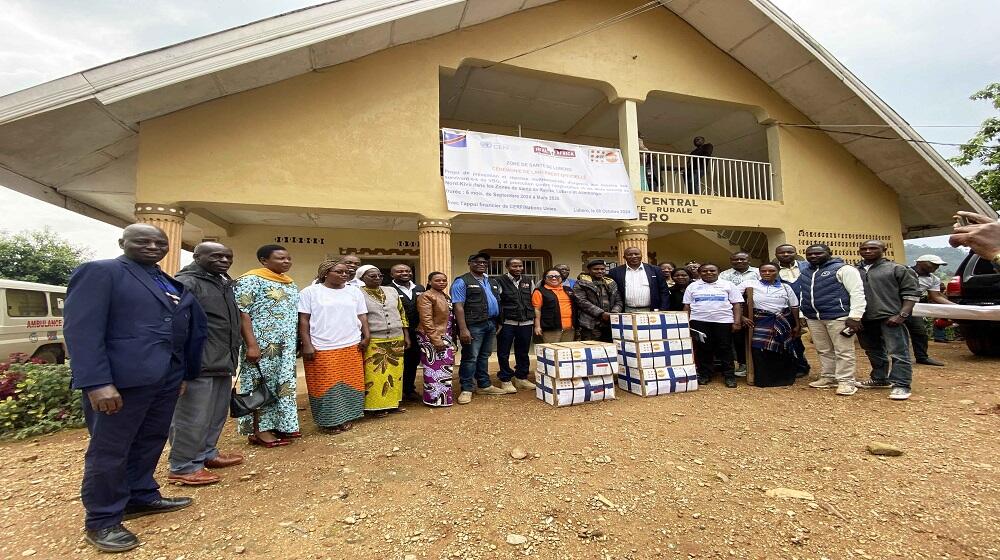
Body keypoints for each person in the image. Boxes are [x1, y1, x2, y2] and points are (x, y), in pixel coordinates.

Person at [64, 224, 206, 553]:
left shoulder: (167, 280)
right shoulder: (101, 272)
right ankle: (102, 520)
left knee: (149, 440)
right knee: (110, 451)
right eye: (142, 240)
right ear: (122, 242)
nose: (152, 246)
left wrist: (181, 374)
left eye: (160, 242)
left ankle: (141, 496)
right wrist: (97, 382)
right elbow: (81, 331)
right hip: (120, 382)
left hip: (164, 378)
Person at [168, 242, 243, 487]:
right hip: (198, 361)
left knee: (215, 412)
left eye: (227, 256)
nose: (223, 260)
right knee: (192, 416)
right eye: (216, 256)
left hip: (221, 359)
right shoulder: (187, 283)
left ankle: (207, 454)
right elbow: (177, 325)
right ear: (197, 256)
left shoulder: (221, 281)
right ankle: (184, 465)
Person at [234, 244, 300, 447]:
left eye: (288, 258)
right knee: (259, 386)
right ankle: (259, 430)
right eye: (281, 258)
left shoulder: (289, 283)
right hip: (262, 345)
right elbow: (242, 313)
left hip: (285, 346)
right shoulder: (250, 280)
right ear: (264, 260)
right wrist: (251, 345)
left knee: (281, 385)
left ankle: (281, 424)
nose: (286, 262)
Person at [298, 261, 369, 432]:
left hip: (351, 344)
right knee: (326, 385)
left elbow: (362, 315)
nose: (344, 275)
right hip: (323, 346)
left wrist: (367, 335)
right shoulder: (310, 292)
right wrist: (306, 344)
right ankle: (329, 421)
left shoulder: (354, 292)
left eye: (346, 272)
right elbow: (303, 320)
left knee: (351, 383)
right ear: (325, 273)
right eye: (339, 272)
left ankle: (347, 416)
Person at [855, 240, 921, 401]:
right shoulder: (855, 270)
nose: (868, 251)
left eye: (873, 248)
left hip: (890, 317)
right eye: (864, 249)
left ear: (884, 249)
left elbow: (911, 293)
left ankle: (901, 384)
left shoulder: (897, 269)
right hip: (864, 317)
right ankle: (879, 379)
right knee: (872, 350)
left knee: (898, 351)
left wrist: (902, 315)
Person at [798, 244, 866, 397]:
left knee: (843, 350)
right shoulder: (806, 272)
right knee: (823, 349)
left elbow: (857, 293)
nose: (813, 256)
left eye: (818, 253)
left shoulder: (844, 269)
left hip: (838, 316)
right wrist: (803, 314)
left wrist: (855, 316)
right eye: (810, 254)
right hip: (814, 318)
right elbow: (803, 294)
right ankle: (829, 377)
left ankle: (846, 381)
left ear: (829, 253)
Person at [451, 253, 507, 404]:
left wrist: (499, 322)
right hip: (473, 325)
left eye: (484, 262)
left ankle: (484, 385)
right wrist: (463, 329)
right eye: (477, 262)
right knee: (470, 358)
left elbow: (498, 302)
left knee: (484, 356)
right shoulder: (462, 281)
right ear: (469, 263)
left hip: (490, 324)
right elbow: (458, 306)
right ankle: (467, 389)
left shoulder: (491, 281)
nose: (481, 264)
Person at [356, 265, 410, 414]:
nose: (377, 278)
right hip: (375, 339)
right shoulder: (358, 293)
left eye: (379, 275)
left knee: (395, 374)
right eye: (372, 276)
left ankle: (393, 404)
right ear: (362, 278)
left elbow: (402, 313)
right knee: (376, 375)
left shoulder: (391, 291)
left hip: (396, 337)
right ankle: (376, 406)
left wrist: (406, 335)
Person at [738, 264, 801, 387]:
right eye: (763, 271)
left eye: (771, 271)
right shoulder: (750, 284)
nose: (767, 273)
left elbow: (794, 306)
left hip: (782, 321)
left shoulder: (785, 287)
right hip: (760, 321)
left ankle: (783, 379)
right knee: (759, 348)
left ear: (777, 272)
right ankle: (764, 380)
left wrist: (797, 325)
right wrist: (741, 317)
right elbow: (734, 299)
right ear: (759, 272)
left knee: (782, 348)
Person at [683, 263, 744, 388]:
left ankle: (729, 376)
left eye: (712, 270)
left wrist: (737, 322)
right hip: (699, 321)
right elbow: (687, 306)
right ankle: (705, 374)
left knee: (725, 348)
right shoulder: (693, 286)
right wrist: (685, 323)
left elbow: (737, 304)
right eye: (704, 271)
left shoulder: (728, 285)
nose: (708, 273)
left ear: (718, 271)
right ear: (700, 273)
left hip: (723, 321)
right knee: (703, 348)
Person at [495, 258, 537, 393]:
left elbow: (533, 299)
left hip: (526, 322)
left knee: (523, 351)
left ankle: (521, 377)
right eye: (514, 266)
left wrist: (535, 320)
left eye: (520, 266)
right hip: (507, 322)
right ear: (507, 267)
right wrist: (499, 321)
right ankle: (506, 379)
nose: (518, 268)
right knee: (503, 352)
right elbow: (497, 301)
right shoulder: (500, 281)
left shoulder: (528, 280)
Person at [416, 272, 456, 407]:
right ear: (429, 282)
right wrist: (435, 339)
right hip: (431, 336)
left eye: (444, 280)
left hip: (445, 335)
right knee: (434, 369)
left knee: (445, 368)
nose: (442, 282)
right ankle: (433, 399)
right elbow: (426, 320)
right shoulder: (426, 296)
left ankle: (444, 398)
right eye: (437, 280)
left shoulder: (445, 296)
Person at [720, 252, 760, 377]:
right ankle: (743, 364)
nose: (739, 261)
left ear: (749, 260)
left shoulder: (759, 272)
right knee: (738, 339)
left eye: (742, 259)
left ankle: (758, 364)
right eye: (735, 259)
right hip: (734, 309)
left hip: (756, 309)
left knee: (757, 337)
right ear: (731, 261)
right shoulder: (724, 275)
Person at [908, 255, 953, 366]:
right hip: (893, 306)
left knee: (920, 332)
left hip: (913, 308)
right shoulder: (904, 271)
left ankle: (922, 357)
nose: (936, 267)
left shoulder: (933, 279)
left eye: (938, 265)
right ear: (920, 262)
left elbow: (936, 296)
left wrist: (956, 307)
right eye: (932, 264)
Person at [773, 243, 811, 378]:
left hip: (812, 308)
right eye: (781, 252)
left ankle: (831, 372)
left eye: (789, 252)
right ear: (776, 254)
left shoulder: (808, 266)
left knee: (823, 341)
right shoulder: (772, 269)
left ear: (795, 253)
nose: (785, 254)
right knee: (794, 339)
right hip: (789, 311)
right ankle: (800, 365)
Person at [390, 263, 425, 401]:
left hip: (417, 331)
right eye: (399, 271)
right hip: (397, 331)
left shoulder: (419, 288)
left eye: (407, 271)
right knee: (397, 362)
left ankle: (409, 389)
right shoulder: (388, 289)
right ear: (392, 274)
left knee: (413, 361)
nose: (404, 273)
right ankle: (395, 393)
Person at [608, 247, 671, 312]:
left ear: (641, 255)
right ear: (624, 257)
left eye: (636, 254)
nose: (634, 256)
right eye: (630, 254)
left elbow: (664, 291)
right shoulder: (615, 272)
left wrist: (663, 309)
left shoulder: (655, 270)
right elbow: (612, 293)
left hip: (652, 311)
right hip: (625, 310)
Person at [574, 259, 623, 342]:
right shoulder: (581, 283)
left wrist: (614, 312)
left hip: (610, 322)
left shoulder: (611, 283)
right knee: (593, 350)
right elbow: (581, 301)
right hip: (590, 324)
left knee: (610, 349)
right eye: (596, 269)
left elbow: (619, 301)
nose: (600, 271)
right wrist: (601, 313)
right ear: (589, 270)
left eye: (602, 269)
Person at [533, 268, 575, 343]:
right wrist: (537, 326)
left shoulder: (568, 290)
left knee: (566, 352)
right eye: (550, 276)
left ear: (561, 278)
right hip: (551, 328)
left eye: (557, 276)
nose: (554, 278)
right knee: (551, 352)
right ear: (545, 279)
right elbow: (537, 309)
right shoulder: (539, 291)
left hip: (569, 328)